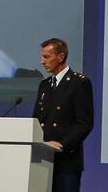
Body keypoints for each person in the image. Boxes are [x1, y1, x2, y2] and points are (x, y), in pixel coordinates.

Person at [33, 38, 93, 192]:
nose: (42, 61)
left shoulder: (79, 83)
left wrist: (63, 144)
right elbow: (36, 120)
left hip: (66, 162)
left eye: (46, 57)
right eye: (42, 57)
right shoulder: (44, 85)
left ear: (61, 57)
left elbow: (84, 123)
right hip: (42, 160)